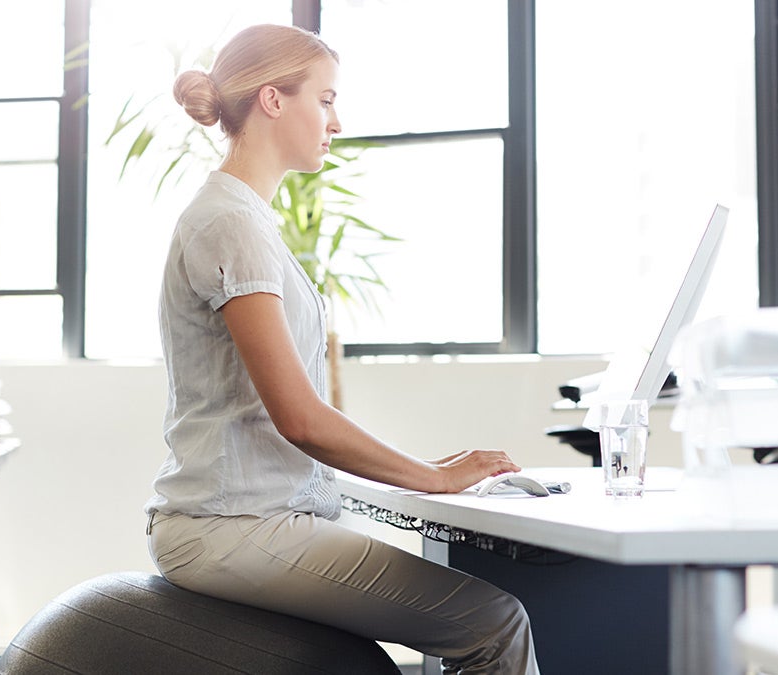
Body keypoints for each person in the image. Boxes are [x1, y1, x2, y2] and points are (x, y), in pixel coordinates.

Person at [143, 24, 541, 675]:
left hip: (249, 516)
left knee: (485, 613)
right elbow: (299, 418)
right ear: (273, 99)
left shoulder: (244, 219)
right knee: (494, 622)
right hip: (229, 525)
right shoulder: (230, 225)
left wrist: (422, 468)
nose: (336, 119)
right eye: (324, 99)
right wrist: (434, 476)